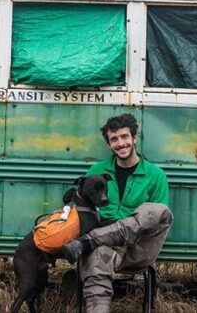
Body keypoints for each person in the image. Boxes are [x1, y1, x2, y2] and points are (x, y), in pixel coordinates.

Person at [63, 113, 173, 313]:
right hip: (107, 246)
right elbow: (82, 209)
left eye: (124, 137)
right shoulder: (97, 171)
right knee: (96, 259)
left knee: (160, 211)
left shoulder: (156, 175)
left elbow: (156, 221)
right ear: (108, 145)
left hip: (137, 247)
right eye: (114, 139)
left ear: (134, 138)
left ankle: (89, 241)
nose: (120, 143)